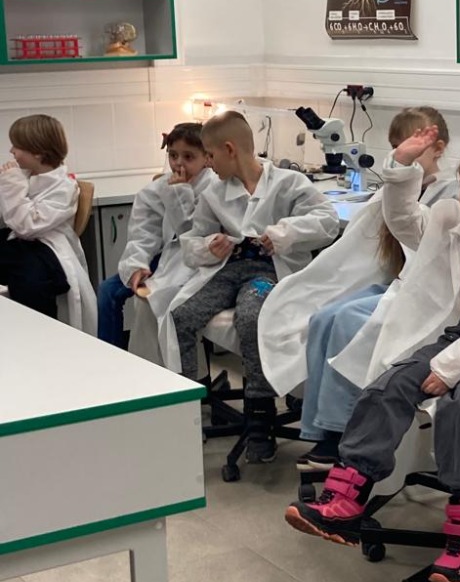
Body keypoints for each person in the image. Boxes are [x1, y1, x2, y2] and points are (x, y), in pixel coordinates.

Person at [285, 128, 460, 582]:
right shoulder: (455, 223)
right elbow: (403, 221)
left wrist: (449, 367)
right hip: (459, 336)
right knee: (390, 385)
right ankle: (348, 500)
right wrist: (400, 166)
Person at [259, 106, 457, 471]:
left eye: (414, 146)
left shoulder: (451, 195)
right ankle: (319, 428)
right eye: (398, 147)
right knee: (323, 318)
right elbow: (378, 234)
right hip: (397, 283)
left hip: (431, 297)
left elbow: (419, 234)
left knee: (350, 321)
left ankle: (342, 433)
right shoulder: (396, 189)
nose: (406, 154)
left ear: (438, 147)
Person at [167, 110, 339, 462]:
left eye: (210, 155)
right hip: (228, 270)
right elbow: (193, 240)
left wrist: (286, 233)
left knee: (252, 317)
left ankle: (260, 413)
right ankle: (192, 404)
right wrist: (209, 246)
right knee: (182, 316)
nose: (208, 164)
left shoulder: (289, 184)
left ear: (229, 150)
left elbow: (328, 221)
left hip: (269, 271)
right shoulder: (215, 192)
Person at [97, 122, 214, 349]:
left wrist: (180, 194)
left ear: (206, 158)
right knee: (107, 291)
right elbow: (143, 234)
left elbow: (193, 232)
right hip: (164, 259)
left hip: (197, 263)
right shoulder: (156, 189)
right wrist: (136, 264)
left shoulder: (214, 187)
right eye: (173, 155)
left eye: (188, 157)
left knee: (156, 301)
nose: (178, 163)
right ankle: (110, 355)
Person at [0, 113, 96, 332]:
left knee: (30, 280)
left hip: (47, 250)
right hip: (25, 244)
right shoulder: (25, 176)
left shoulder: (65, 188)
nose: (12, 151)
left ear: (38, 152)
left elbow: (26, 225)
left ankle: (39, 332)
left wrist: (11, 185)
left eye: (17, 146)